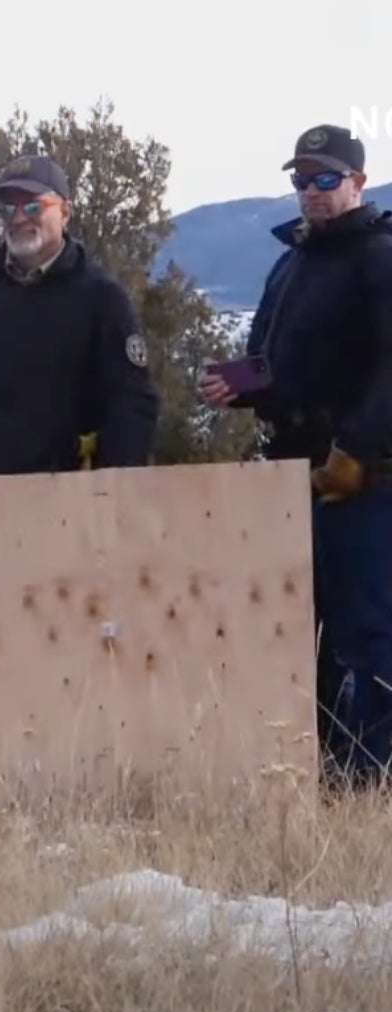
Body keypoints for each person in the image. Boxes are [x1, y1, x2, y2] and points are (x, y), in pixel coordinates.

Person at [198, 124, 392, 789]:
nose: (311, 191)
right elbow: (274, 361)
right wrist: (243, 385)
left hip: (364, 480)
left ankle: (372, 778)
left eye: (326, 179)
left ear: (358, 183)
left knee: (367, 632)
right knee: (300, 633)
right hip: (291, 472)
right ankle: (326, 774)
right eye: (302, 180)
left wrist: (357, 449)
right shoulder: (292, 261)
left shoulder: (380, 257)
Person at [0, 154, 162, 517]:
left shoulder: (101, 297)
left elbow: (134, 402)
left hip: (71, 505)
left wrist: (109, 487)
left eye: (34, 205)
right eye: (7, 210)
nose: (19, 218)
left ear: (65, 212)